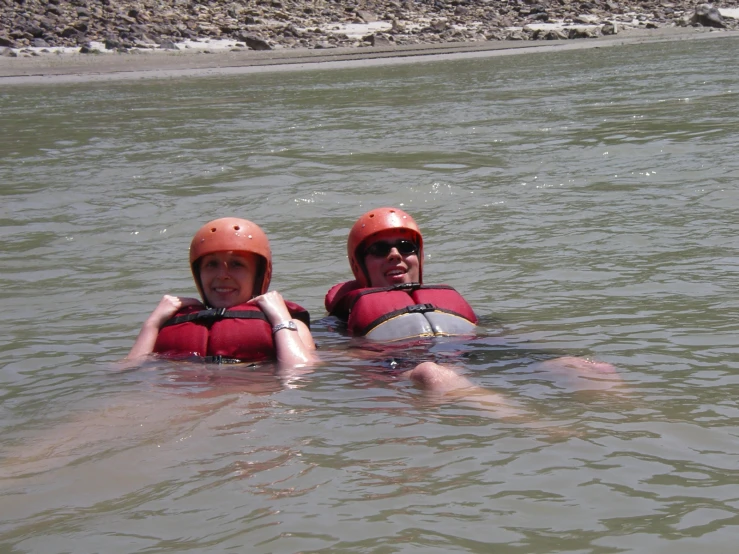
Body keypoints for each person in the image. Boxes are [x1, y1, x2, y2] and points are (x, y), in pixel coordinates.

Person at [325, 207, 617, 395]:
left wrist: (548, 355)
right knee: (432, 374)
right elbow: (316, 359)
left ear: (419, 256)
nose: (395, 255)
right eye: (379, 249)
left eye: (405, 246)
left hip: (469, 353)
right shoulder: (342, 320)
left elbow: (498, 336)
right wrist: (362, 354)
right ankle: (539, 428)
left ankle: (644, 422)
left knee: (590, 368)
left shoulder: (445, 302)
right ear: (358, 265)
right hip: (403, 365)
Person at [127, 217, 316, 368]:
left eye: (237, 265)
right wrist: (152, 324)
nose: (222, 275)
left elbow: (300, 372)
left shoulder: (291, 325)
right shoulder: (169, 323)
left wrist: (280, 319)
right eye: (212, 264)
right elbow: (128, 371)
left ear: (258, 276)